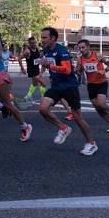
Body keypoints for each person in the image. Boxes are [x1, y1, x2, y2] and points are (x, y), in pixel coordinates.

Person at [39, 27, 97, 156]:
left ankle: (91, 143)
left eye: (44, 37)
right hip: (56, 86)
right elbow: (46, 64)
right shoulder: (46, 50)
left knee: (77, 117)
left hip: (69, 86)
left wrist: (49, 66)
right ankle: (63, 128)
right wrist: (41, 74)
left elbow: (67, 70)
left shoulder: (62, 50)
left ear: (53, 38)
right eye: (41, 37)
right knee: (43, 109)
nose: (42, 40)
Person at [77, 38, 109, 133]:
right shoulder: (80, 59)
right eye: (79, 48)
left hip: (101, 83)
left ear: (88, 47)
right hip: (91, 85)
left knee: (101, 104)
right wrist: (77, 71)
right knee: (97, 107)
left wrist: (104, 70)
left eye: (83, 47)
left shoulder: (98, 55)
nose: (81, 49)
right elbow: (79, 72)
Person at [19, 37, 46, 101]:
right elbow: (19, 58)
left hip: (37, 69)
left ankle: (28, 96)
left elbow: (39, 57)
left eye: (34, 43)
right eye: (32, 43)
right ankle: (43, 97)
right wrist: (22, 68)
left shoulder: (37, 48)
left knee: (34, 84)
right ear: (29, 44)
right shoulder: (27, 51)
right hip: (31, 70)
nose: (33, 44)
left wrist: (42, 57)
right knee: (43, 84)